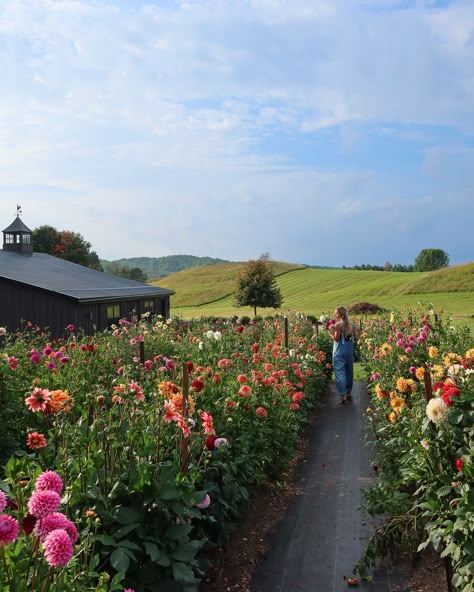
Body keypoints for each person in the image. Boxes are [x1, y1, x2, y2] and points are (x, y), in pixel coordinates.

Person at [327, 306, 358, 404]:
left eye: (336, 313)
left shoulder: (338, 325)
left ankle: (343, 395)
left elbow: (336, 339)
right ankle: (349, 393)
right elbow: (356, 338)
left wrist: (329, 332)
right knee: (349, 372)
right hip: (349, 351)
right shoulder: (352, 324)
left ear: (340, 314)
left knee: (340, 373)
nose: (334, 315)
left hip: (339, 351)